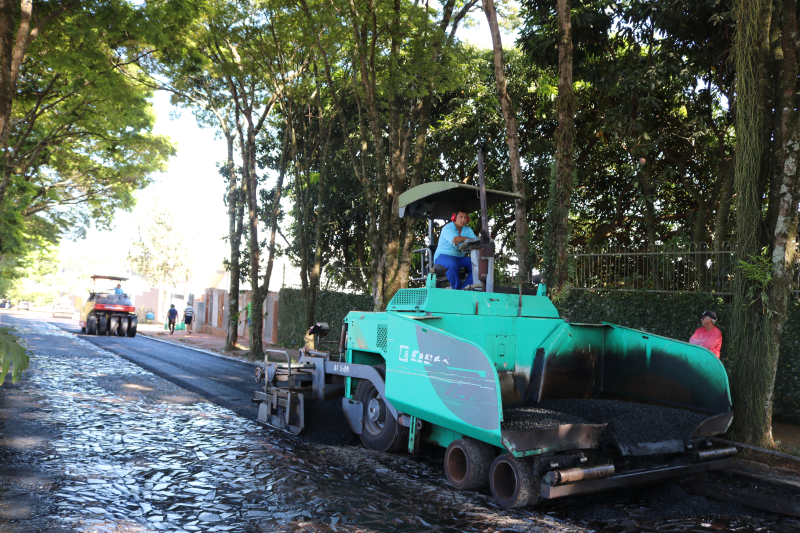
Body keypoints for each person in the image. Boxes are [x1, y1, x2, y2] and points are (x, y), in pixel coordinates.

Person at [434, 210, 476, 290]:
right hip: (442, 256)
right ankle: (456, 289)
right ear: (454, 217)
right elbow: (457, 244)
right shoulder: (447, 228)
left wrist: (462, 238)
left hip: (460, 257)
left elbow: (475, 241)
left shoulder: (468, 229)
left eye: (465, 217)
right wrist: (467, 240)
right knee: (452, 264)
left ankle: (464, 289)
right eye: (460, 217)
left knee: (476, 264)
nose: (463, 220)